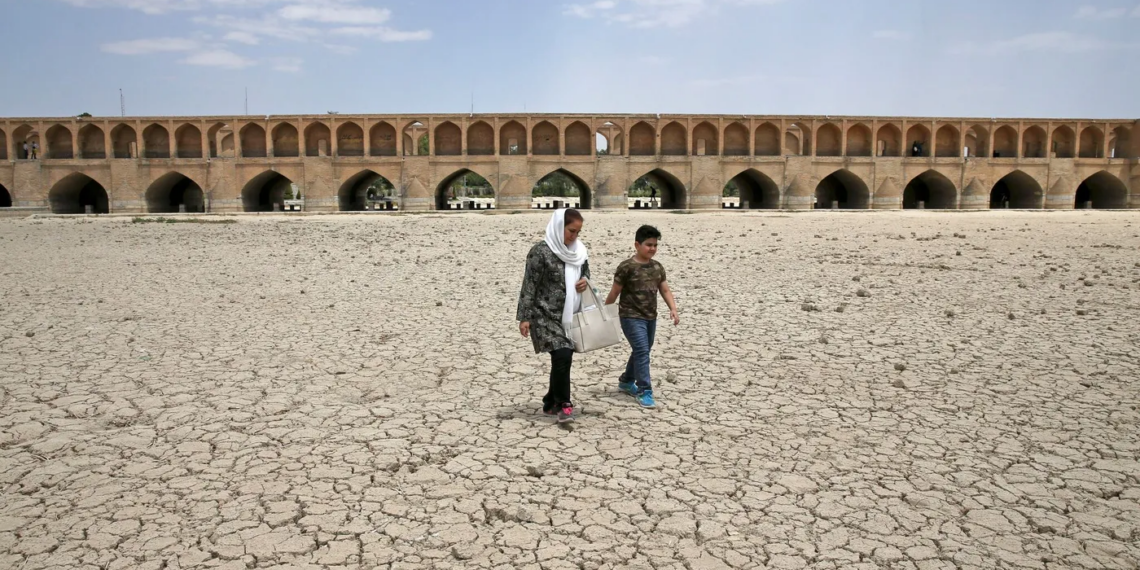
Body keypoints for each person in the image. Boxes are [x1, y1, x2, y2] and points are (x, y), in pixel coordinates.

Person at [517, 209, 590, 423]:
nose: (573, 236)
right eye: (570, 231)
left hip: (569, 313)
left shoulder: (579, 251)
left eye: (577, 232)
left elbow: (585, 272)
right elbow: (529, 285)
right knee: (563, 354)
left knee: (562, 357)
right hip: (544, 314)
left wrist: (584, 280)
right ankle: (563, 404)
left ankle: (550, 400)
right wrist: (525, 317)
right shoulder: (540, 252)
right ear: (559, 227)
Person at [604, 225, 679, 408]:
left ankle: (626, 380)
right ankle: (644, 389)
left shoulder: (657, 267)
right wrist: (605, 312)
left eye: (655, 245)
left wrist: (673, 308)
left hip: (650, 316)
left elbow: (665, 289)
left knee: (642, 350)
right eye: (648, 245)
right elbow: (615, 292)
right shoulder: (626, 267)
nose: (652, 248)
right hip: (630, 316)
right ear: (637, 245)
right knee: (642, 350)